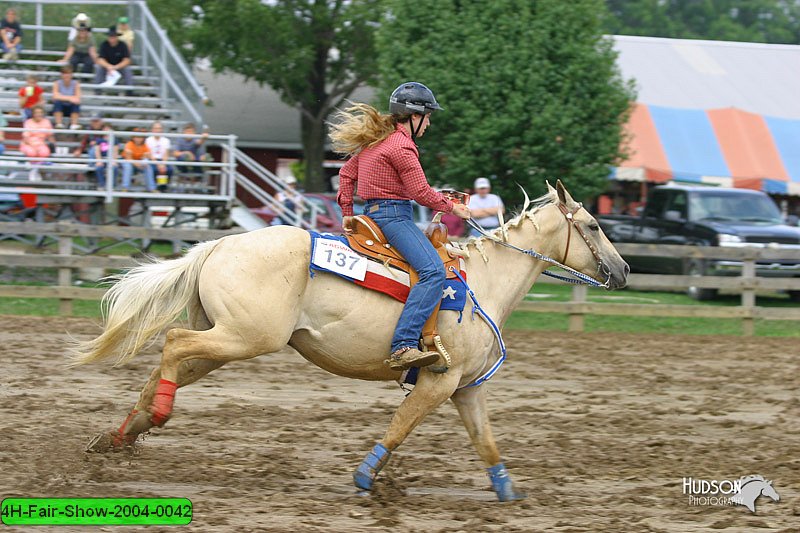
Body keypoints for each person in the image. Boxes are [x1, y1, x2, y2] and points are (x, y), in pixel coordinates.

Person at [330, 81, 471, 371]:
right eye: (428, 116)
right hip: (394, 218)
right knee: (433, 272)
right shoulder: (402, 147)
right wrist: (453, 206)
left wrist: (346, 212)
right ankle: (404, 345)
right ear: (414, 115)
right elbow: (420, 192)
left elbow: (346, 174)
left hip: (370, 215)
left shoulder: (376, 143)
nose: (429, 123)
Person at [21, 106, 55, 180]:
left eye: (40, 113)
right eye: (36, 113)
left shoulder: (46, 122)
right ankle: (35, 171)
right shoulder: (28, 122)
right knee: (31, 153)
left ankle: (34, 170)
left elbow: (50, 135)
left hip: (41, 143)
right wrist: (33, 146)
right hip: (28, 143)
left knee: (44, 152)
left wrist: (53, 144)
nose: (38, 114)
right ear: (33, 114)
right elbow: (26, 137)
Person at [145, 121, 172, 192]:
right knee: (153, 169)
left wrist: (163, 164)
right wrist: (157, 164)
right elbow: (149, 154)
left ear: (162, 129)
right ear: (152, 130)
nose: (158, 130)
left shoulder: (166, 140)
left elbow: (166, 154)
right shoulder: (148, 140)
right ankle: (154, 187)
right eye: (156, 128)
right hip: (152, 160)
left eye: (159, 128)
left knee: (169, 169)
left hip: (162, 160)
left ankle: (163, 187)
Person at [91, 124, 119, 189]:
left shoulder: (115, 140)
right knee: (99, 168)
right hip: (102, 158)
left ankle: (112, 185)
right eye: (105, 129)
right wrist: (99, 160)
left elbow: (115, 151)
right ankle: (101, 185)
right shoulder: (99, 140)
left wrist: (114, 161)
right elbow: (97, 151)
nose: (106, 130)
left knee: (114, 168)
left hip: (111, 159)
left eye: (108, 128)